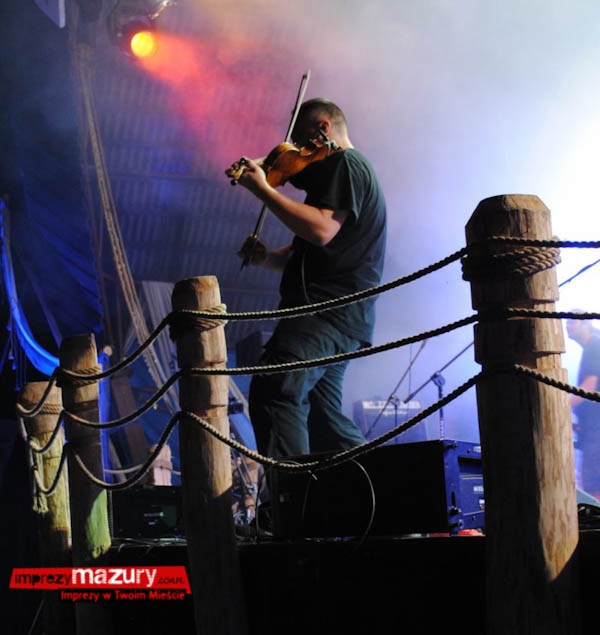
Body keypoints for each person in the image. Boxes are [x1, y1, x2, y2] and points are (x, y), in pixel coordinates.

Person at [231, 98, 387, 458]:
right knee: (323, 420)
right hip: (342, 317)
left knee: (275, 391)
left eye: (302, 139)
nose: (299, 151)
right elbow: (314, 249)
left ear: (323, 128)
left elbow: (321, 230)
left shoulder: (346, 163)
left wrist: (265, 190)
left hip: (325, 313)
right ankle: (379, 484)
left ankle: (293, 492)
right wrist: (267, 257)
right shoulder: (338, 174)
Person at [566, 315, 600, 497]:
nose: (568, 326)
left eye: (572, 322)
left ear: (586, 323)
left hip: (596, 428)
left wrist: (562, 408)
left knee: (594, 482)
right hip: (592, 426)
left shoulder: (594, 345)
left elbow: (589, 386)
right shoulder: (593, 346)